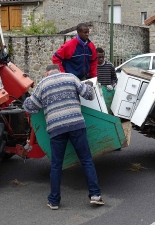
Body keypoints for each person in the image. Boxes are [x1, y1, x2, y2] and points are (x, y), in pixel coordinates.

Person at [23, 64, 104, 210]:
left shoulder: (43, 84)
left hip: (56, 129)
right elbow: (89, 95)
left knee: (56, 165)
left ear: (47, 73)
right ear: (59, 71)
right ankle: (95, 195)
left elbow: (30, 107)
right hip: (76, 125)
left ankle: (54, 201)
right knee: (86, 160)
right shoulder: (71, 77)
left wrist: (26, 99)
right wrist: (89, 85)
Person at [96, 47, 118, 113]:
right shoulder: (92, 67)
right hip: (98, 93)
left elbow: (114, 78)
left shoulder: (110, 65)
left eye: (102, 57)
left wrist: (112, 85)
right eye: (99, 57)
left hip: (108, 93)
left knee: (108, 111)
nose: (101, 59)